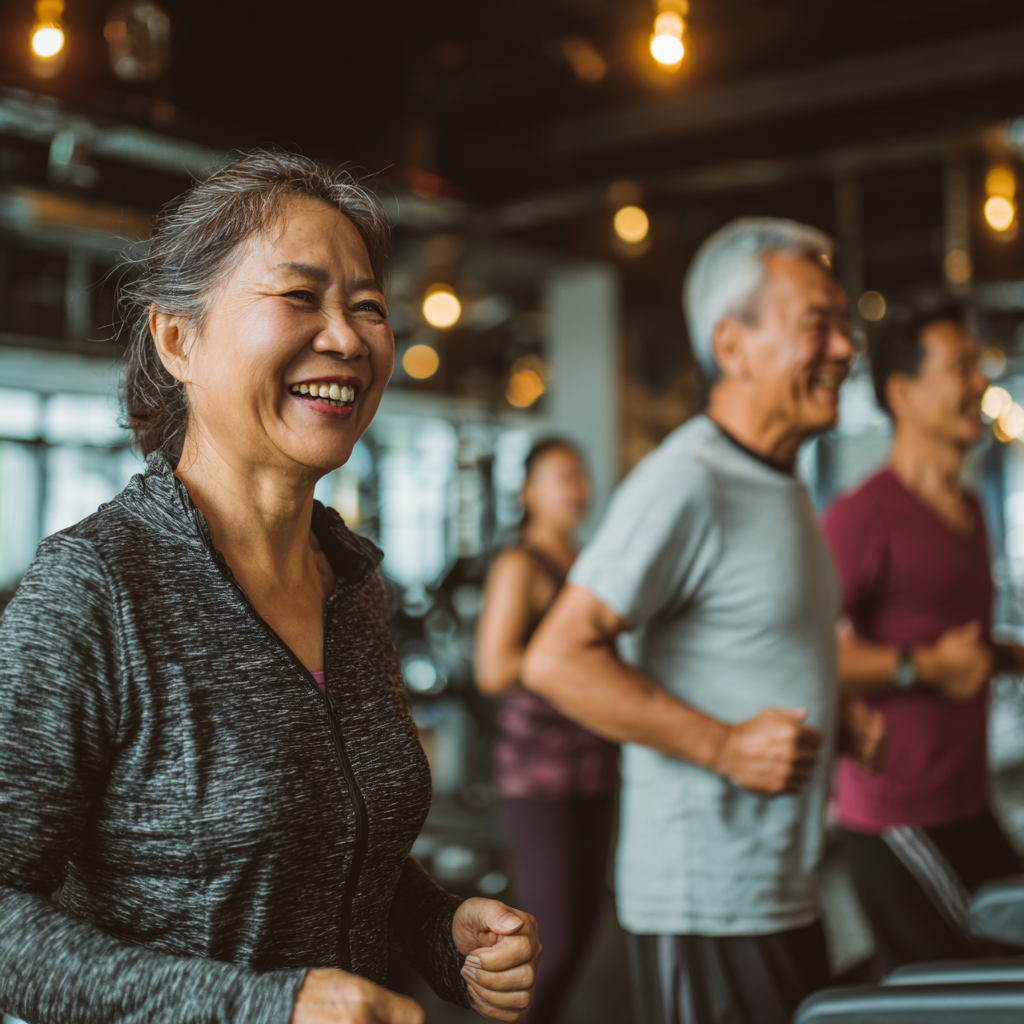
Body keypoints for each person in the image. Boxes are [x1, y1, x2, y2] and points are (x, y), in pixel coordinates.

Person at [0, 152, 539, 1024]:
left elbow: (325, 842)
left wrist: (441, 931)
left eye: (367, 307)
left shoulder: (352, 583)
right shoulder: (95, 590)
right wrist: (263, 1007)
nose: (349, 337)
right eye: (300, 296)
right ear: (179, 339)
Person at [523, 218, 885, 1024]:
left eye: (843, 324)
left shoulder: (782, 481)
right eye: (816, 325)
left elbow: (753, 642)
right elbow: (555, 659)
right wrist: (723, 745)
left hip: (782, 884)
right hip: (707, 898)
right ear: (734, 344)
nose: (843, 348)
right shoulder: (687, 479)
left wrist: (836, 710)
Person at [823, 304, 1022, 972]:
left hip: (966, 800)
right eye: (961, 366)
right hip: (897, 814)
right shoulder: (862, 516)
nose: (979, 380)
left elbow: (954, 640)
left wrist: (1005, 654)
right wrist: (928, 668)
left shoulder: (968, 509)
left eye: (978, 364)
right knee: (969, 980)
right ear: (903, 394)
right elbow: (810, 653)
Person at [475, 438, 619, 1024]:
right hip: (539, 782)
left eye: (581, 474)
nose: (577, 488)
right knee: (550, 937)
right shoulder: (521, 565)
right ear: (528, 493)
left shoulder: (585, 563)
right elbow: (492, 669)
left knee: (584, 926)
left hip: (595, 771)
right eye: (562, 476)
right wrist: (565, 661)